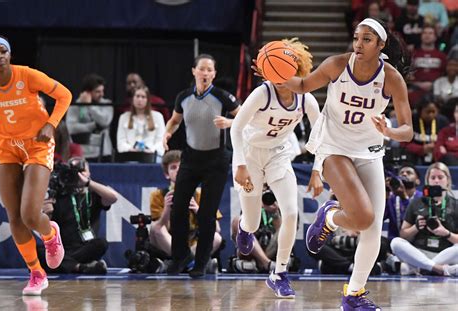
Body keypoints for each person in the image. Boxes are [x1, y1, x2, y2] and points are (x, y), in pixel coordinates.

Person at [268, 18, 413, 308]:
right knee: (361, 217)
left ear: (381, 45)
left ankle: (354, 294)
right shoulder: (337, 64)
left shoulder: (392, 78)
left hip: (370, 151)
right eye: (357, 38)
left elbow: (407, 130)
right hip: (334, 147)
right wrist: (274, 73)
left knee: (371, 228)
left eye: (367, 39)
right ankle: (331, 216)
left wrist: (389, 131)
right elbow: (303, 85)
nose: (359, 44)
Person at [233, 38, 322, 298]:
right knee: (250, 219)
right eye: (276, 72)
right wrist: (239, 165)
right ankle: (245, 229)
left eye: (286, 71)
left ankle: (279, 273)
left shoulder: (306, 100)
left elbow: (320, 137)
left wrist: (317, 170)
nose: (281, 77)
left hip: (279, 154)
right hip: (249, 154)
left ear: (297, 70)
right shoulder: (262, 93)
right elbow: (237, 128)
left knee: (291, 212)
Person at [0, 34, 72, 295]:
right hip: (4, 146)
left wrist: (50, 124)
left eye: (4, 51)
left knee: (30, 215)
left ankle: (50, 235)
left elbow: (65, 95)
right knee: (14, 217)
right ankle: (36, 273)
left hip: (37, 142)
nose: (0, 56)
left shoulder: (27, 75)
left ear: (10, 54)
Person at [163, 53, 239, 278]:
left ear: (214, 74)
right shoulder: (183, 97)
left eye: (209, 70)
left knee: (206, 213)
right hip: (190, 158)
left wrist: (230, 122)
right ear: (194, 71)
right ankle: (180, 257)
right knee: (178, 208)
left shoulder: (223, 96)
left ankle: (201, 262)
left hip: (216, 160)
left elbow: (246, 117)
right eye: (202, 69)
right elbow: (175, 120)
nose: (205, 73)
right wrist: (167, 132)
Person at [38, 157, 118, 274]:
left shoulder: (93, 194)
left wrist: (88, 183)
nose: (78, 175)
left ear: (89, 173)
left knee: (101, 243)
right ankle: (81, 267)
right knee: (38, 251)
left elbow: (113, 197)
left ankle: (67, 265)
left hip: (86, 247)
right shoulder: (59, 195)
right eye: (75, 172)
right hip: (63, 249)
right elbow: (44, 233)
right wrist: (47, 214)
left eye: (82, 171)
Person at [149, 150, 222, 271]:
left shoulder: (199, 194)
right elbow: (159, 229)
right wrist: (167, 209)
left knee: (216, 237)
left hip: (193, 242)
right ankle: (189, 263)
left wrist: (198, 210)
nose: (178, 170)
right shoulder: (158, 195)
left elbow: (217, 227)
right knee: (155, 228)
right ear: (167, 174)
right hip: (170, 241)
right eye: (173, 167)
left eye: (181, 166)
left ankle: (185, 262)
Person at [390, 162, 458, 276]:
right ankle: (438, 269)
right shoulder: (416, 203)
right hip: (419, 252)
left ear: (448, 180)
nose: (436, 181)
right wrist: (415, 228)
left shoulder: (455, 205)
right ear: (427, 181)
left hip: (446, 254)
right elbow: (403, 235)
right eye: (433, 178)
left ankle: (420, 268)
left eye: (440, 177)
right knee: (396, 243)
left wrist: (446, 233)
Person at [66, 73, 113, 162]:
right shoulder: (76, 105)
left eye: (102, 91)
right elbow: (71, 128)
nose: (102, 94)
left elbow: (104, 122)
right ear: (87, 92)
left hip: (104, 153)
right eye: (98, 92)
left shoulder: (107, 104)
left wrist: (90, 106)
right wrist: (93, 125)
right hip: (83, 154)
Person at [117, 85, 165, 159]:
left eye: (143, 97)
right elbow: (121, 141)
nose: (140, 99)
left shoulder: (158, 116)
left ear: (148, 100)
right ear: (132, 99)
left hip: (152, 156)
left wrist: (151, 150)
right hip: (130, 156)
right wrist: (130, 149)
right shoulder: (124, 117)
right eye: (137, 96)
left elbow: (161, 141)